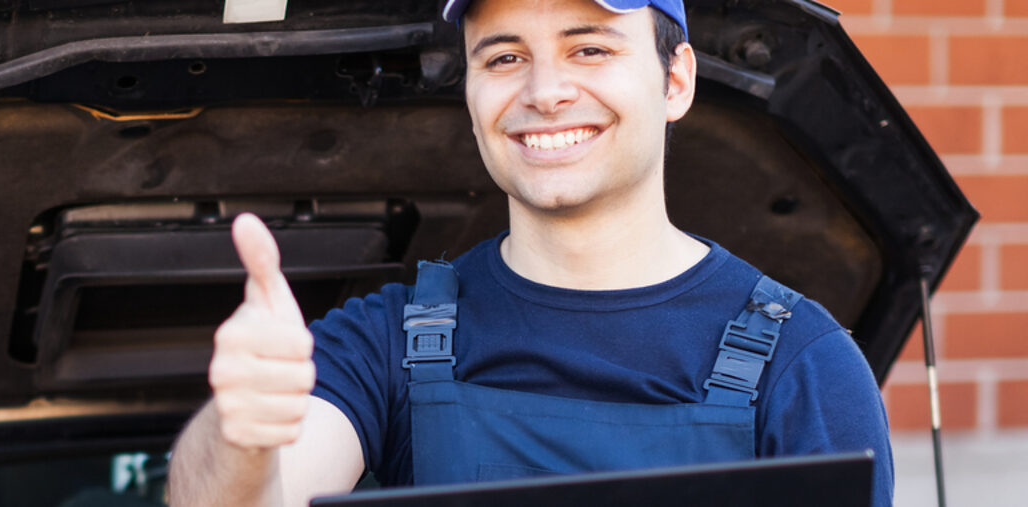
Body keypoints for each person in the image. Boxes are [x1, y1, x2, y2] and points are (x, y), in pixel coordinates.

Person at [167, 0, 894, 505]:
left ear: (675, 81)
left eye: (590, 47)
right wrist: (239, 431)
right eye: (506, 56)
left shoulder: (802, 364)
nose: (545, 91)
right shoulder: (387, 340)